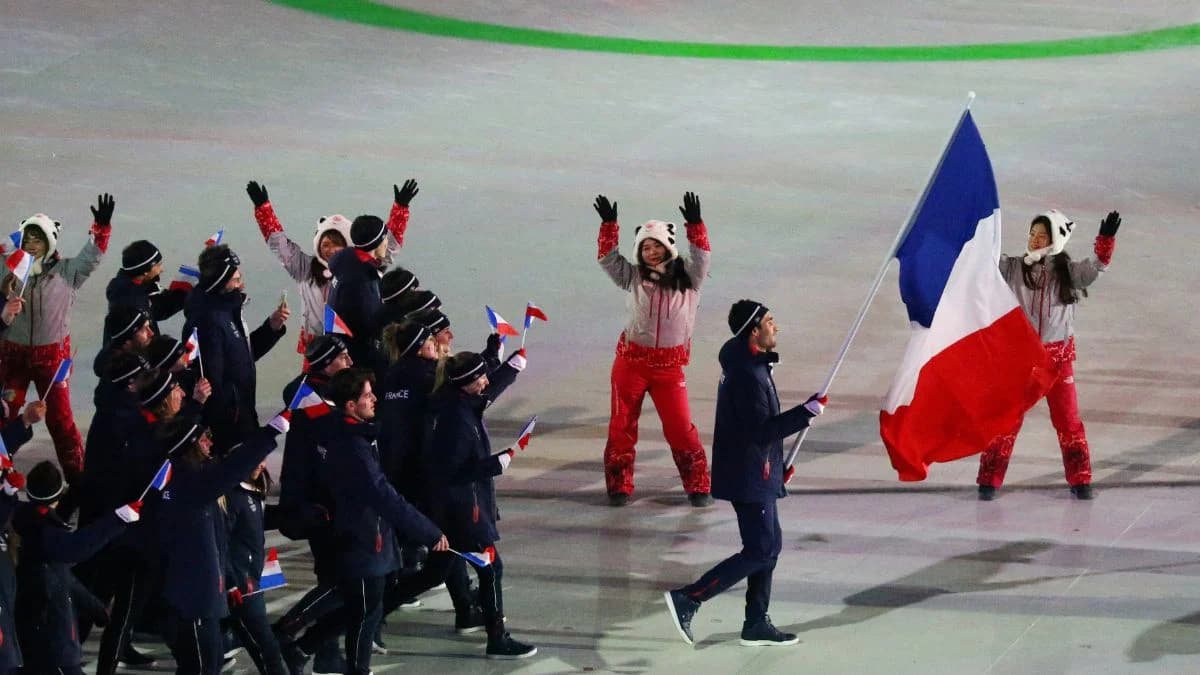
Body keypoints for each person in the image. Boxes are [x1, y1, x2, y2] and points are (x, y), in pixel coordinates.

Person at [664, 300, 826, 647]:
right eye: (770, 321)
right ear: (754, 330)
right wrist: (805, 414)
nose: (776, 327)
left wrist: (778, 474)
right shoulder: (749, 375)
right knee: (761, 550)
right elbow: (761, 431)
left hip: (757, 473)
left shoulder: (749, 363)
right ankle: (691, 597)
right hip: (749, 476)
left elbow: (751, 431)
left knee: (769, 546)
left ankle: (756, 622)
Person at [282, 368, 447, 675]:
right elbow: (382, 494)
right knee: (364, 610)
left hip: (366, 534)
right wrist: (428, 531)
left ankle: (299, 647)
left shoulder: (349, 433)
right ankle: (330, 656)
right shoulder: (353, 446)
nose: (374, 399)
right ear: (349, 405)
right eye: (367, 395)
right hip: (362, 536)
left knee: (359, 604)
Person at [976, 210, 1122, 501]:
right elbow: (983, 262)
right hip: (1021, 361)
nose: (1035, 239)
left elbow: (1096, 267)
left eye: (1042, 235)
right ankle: (989, 480)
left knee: (1068, 420)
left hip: (1058, 362)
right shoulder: (1013, 267)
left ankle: (1080, 479)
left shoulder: (1068, 272)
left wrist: (1105, 241)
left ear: (1055, 239)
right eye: (1032, 234)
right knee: (1006, 420)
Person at [593, 192, 713, 506]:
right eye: (645, 247)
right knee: (622, 426)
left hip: (669, 369)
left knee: (680, 428)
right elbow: (607, 258)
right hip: (630, 364)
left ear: (669, 248)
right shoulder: (632, 276)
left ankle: (698, 484)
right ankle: (619, 485)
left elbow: (702, 254)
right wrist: (609, 226)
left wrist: (695, 225)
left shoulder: (690, 278)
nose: (651, 251)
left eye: (657, 245)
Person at [155, 412, 290, 675]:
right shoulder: (191, 484)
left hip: (206, 599)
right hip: (193, 601)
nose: (210, 443)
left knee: (210, 664)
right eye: (204, 439)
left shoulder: (194, 481)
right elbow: (232, 470)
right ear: (189, 444)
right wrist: (270, 432)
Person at [424, 351, 536, 659]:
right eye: (481, 378)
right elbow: (452, 472)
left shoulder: (461, 406)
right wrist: (494, 465)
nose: (486, 381)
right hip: (465, 511)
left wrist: (510, 369)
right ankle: (496, 638)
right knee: (491, 569)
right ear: (465, 383)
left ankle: (378, 614)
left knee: (432, 574)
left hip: (464, 508)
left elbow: (488, 394)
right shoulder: (456, 421)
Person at [0, 194, 115, 487]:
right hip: (12, 357)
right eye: (27, 237)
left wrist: (101, 227)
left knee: (61, 423)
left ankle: (79, 482)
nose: (31, 244)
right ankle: (2, 474)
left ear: (49, 243)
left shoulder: (66, 272)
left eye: (38, 239)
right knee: (4, 416)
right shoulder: (8, 268)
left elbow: (93, 255)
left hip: (52, 360)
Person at [250, 180, 418, 356]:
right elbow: (280, 246)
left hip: (351, 348)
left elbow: (386, 245)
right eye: (326, 245)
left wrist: (401, 207)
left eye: (338, 244)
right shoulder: (305, 269)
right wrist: (263, 208)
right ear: (318, 245)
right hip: (316, 350)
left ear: (348, 243)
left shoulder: (363, 267)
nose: (330, 250)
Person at [13, 460, 141, 674]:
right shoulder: (45, 534)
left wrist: (95, 608)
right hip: (53, 648)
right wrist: (117, 519)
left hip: (45, 644)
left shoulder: (28, 523)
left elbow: (65, 578)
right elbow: (77, 548)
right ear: (58, 493)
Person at [182, 243, 288, 454]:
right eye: (237, 279)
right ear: (221, 282)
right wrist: (237, 425)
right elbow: (213, 383)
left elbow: (241, 358)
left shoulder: (226, 312)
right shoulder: (209, 321)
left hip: (241, 414)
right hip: (230, 426)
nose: (242, 284)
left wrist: (271, 328)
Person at [223, 461, 287, 675]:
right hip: (243, 581)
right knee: (266, 646)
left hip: (251, 575)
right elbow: (220, 542)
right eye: (255, 458)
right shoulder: (232, 497)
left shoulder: (255, 491)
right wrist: (233, 582)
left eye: (263, 458)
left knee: (221, 640)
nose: (261, 464)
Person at [106, 239, 188, 333]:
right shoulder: (133, 302)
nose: (161, 270)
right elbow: (140, 341)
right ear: (145, 271)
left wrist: (185, 294)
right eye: (158, 265)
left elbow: (159, 308)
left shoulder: (138, 286)